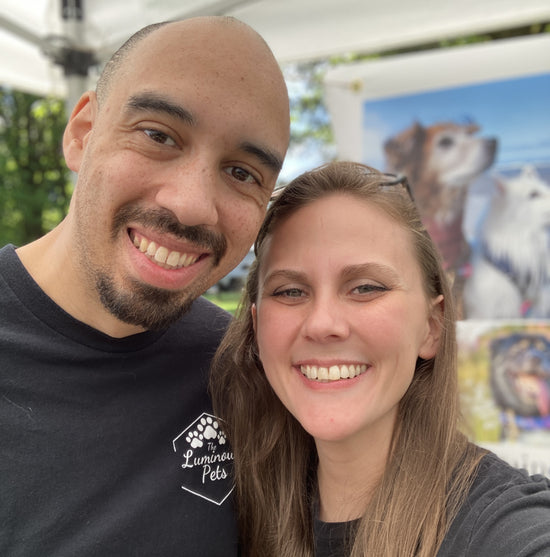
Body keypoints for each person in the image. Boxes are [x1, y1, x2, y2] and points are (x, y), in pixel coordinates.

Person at [0, 16, 289, 557]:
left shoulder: (244, 369)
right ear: (82, 134)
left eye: (242, 173)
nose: (191, 204)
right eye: (158, 136)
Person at [210, 161, 550, 556]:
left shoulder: (502, 525)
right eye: (289, 292)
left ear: (431, 327)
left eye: (365, 288)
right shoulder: (226, 508)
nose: (322, 324)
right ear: (256, 324)